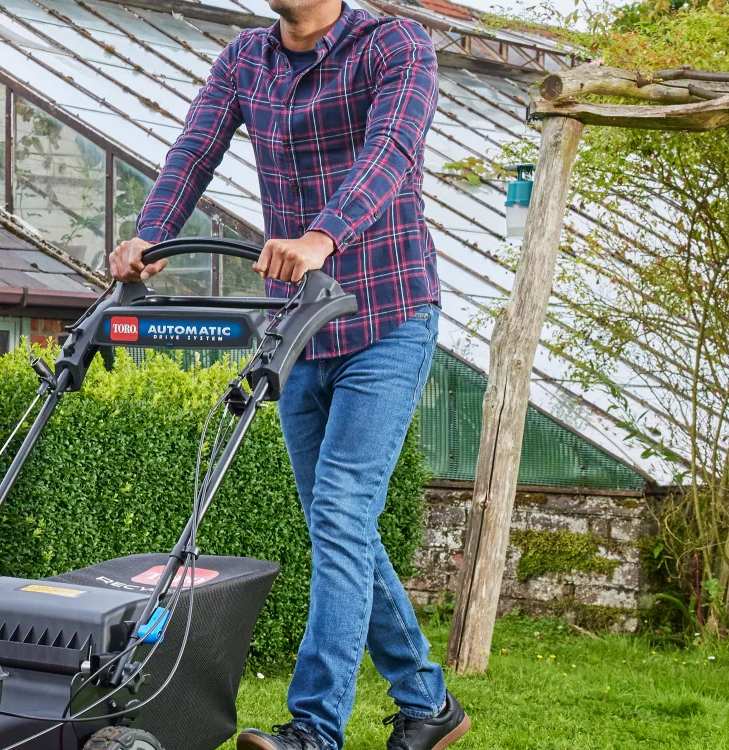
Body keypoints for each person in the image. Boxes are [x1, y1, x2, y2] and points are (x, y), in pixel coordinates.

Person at [104, 0, 469, 748]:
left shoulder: (392, 43)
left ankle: (314, 729)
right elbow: (193, 149)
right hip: (300, 327)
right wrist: (153, 231)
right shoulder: (247, 59)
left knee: (339, 514)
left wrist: (321, 235)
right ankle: (426, 704)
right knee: (341, 526)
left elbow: (391, 151)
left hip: (388, 314)